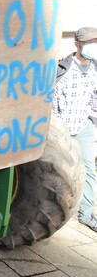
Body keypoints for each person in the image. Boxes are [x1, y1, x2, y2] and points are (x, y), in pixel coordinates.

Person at [53, 27, 97, 232]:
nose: (92, 46)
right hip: (64, 128)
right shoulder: (63, 68)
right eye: (88, 42)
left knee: (89, 169)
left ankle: (86, 214)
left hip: (84, 125)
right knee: (60, 173)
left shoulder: (95, 69)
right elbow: (51, 98)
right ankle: (56, 212)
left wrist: (93, 119)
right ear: (77, 43)